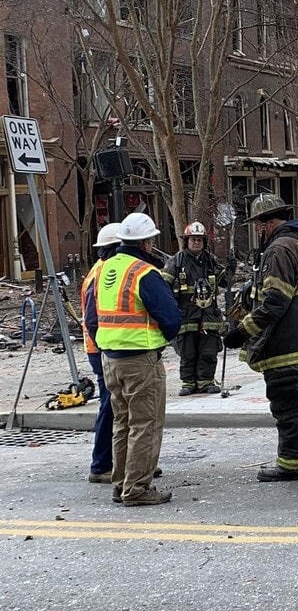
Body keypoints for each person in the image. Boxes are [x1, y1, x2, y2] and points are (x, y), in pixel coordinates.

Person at [223, 194, 298, 480]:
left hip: (287, 347)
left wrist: (242, 331)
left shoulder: (279, 250)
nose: (257, 231)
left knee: (290, 408)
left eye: (258, 225)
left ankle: (293, 465)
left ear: (267, 223)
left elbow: (275, 302)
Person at [87, 213, 180, 506]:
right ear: (147, 243)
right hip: (141, 360)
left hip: (109, 359)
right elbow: (171, 317)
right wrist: (161, 339)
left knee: (123, 424)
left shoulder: (102, 270)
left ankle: (121, 484)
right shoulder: (143, 272)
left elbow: (92, 317)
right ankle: (137, 488)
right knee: (146, 424)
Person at [162, 222, 226, 396]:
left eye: (199, 239)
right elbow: (164, 287)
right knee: (187, 351)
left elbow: (224, 282)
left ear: (204, 242)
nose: (196, 243)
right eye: (193, 239)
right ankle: (188, 382)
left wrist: (230, 271)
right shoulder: (176, 261)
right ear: (186, 241)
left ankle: (206, 381)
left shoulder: (211, 261)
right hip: (186, 314)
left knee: (209, 349)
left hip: (208, 315)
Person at [84, 222, 121, 484]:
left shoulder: (100, 271)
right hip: (102, 349)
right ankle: (101, 465)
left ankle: (124, 463)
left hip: (102, 347)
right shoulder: (100, 275)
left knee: (116, 406)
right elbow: (92, 319)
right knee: (110, 406)